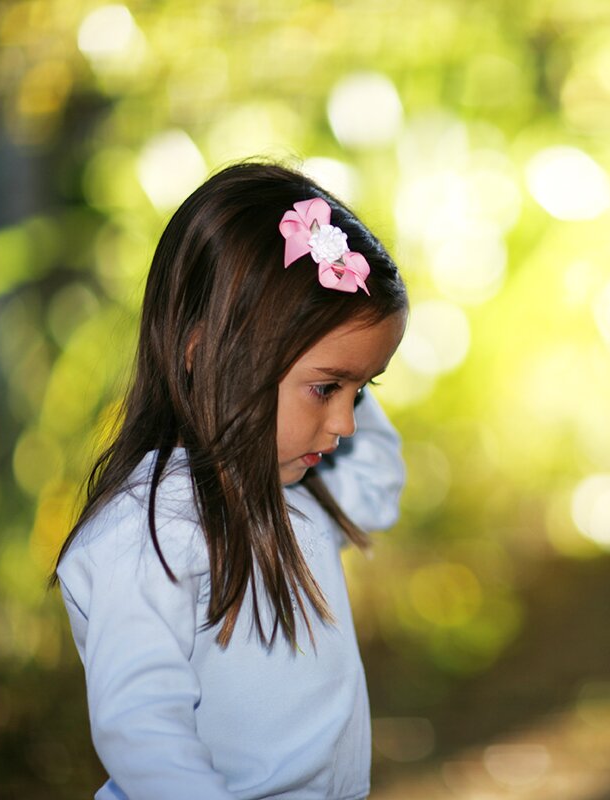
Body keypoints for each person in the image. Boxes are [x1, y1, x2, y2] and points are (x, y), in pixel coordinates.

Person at [52, 162, 409, 799]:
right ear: (208, 354)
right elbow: (144, 732)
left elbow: (379, 487)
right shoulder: (150, 532)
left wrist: (341, 361)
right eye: (326, 388)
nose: (346, 424)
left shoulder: (296, 496)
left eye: (361, 390)